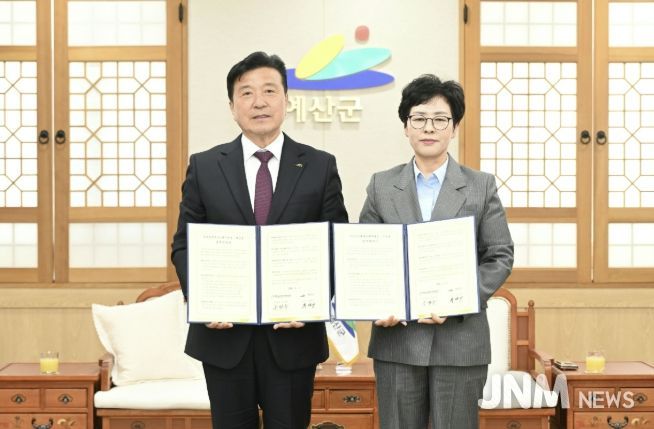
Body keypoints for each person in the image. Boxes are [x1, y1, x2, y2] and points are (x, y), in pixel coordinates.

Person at [171, 51, 348, 429]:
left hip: (294, 336)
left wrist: (313, 303)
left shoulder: (319, 165)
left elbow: (337, 244)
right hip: (223, 338)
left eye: (269, 90)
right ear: (232, 107)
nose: (259, 102)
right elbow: (184, 244)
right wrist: (203, 301)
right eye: (246, 93)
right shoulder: (205, 166)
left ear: (287, 100)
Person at [359, 74, 514, 429]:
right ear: (406, 126)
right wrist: (376, 303)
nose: (429, 127)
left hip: (460, 341)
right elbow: (368, 258)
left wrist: (458, 298)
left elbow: (500, 254)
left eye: (440, 119)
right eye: (419, 118)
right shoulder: (382, 185)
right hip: (397, 341)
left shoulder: (480, 186)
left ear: (454, 128)